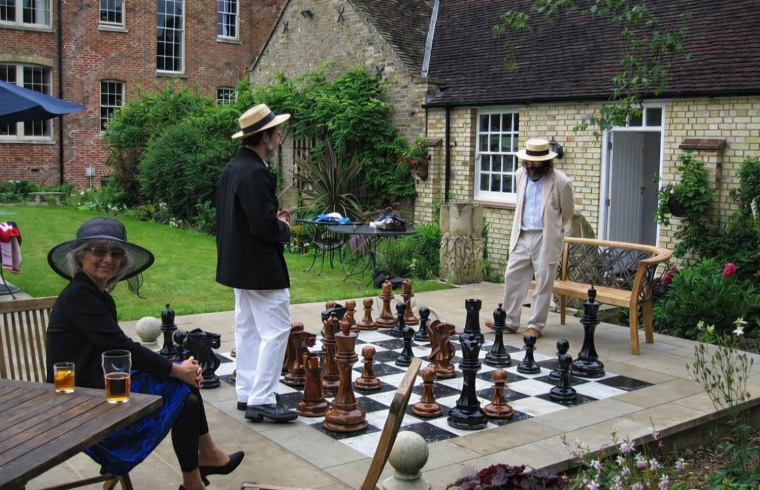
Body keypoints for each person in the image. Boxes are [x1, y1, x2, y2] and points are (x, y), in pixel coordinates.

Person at [46, 217, 243, 490]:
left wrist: (178, 369)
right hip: (79, 399)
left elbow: (119, 351)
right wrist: (177, 370)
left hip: (102, 383)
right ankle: (201, 466)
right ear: (81, 256)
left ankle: (202, 465)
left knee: (182, 382)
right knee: (183, 390)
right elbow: (121, 347)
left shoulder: (97, 295)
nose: (108, 259)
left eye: (116, 253)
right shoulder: (80, 295)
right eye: (99, 251)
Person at [215, 103, 298, 423]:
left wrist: (271, 220)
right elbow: (263, 227)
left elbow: (243, 217)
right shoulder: (256, 172)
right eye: (276, 134)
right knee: (277, 330)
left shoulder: (232, 168)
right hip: (260, 267)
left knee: (248, 329)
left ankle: (247, 392)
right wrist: (284, 227)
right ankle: (262, 398)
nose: (278, 139)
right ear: (264, 137)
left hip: (238, 264)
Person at [495, 138, 575, 339]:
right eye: (528, 161)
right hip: (522, 235)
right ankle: (510, 321)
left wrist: (552, 227)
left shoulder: (562, 182)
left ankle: (536, 325)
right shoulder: (519, 175)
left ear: (546, 161)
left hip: (545, 237)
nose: (530, 165)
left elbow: (567, 213)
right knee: (512, 276)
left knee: (543, 282)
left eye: (535, 162)